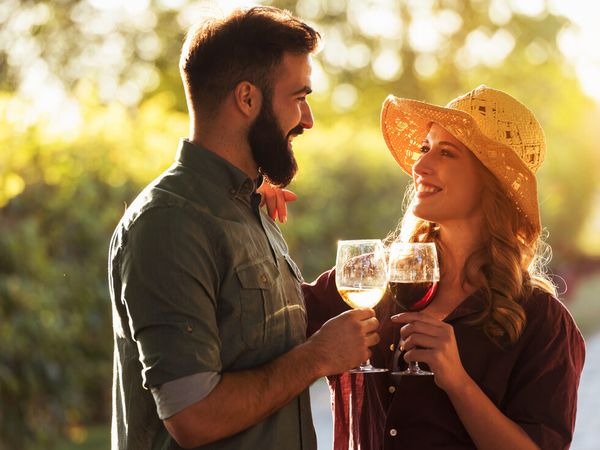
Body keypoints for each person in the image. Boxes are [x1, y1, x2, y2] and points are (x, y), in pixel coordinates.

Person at [107, 6, 381, 450]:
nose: (307, 120)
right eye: (298, 97)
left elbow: (261, 341)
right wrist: (318, 357)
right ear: (247, 98)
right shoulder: (169, 223)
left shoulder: (251, 209)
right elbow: (192, 416)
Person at [263, 85, 586, 449]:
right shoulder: (373, 275)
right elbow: (268, 320)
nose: (420, 165)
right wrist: (249, 209)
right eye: (425, 148)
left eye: (446, 153)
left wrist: (457, 381)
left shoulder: (543, 322)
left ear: (490, 181)